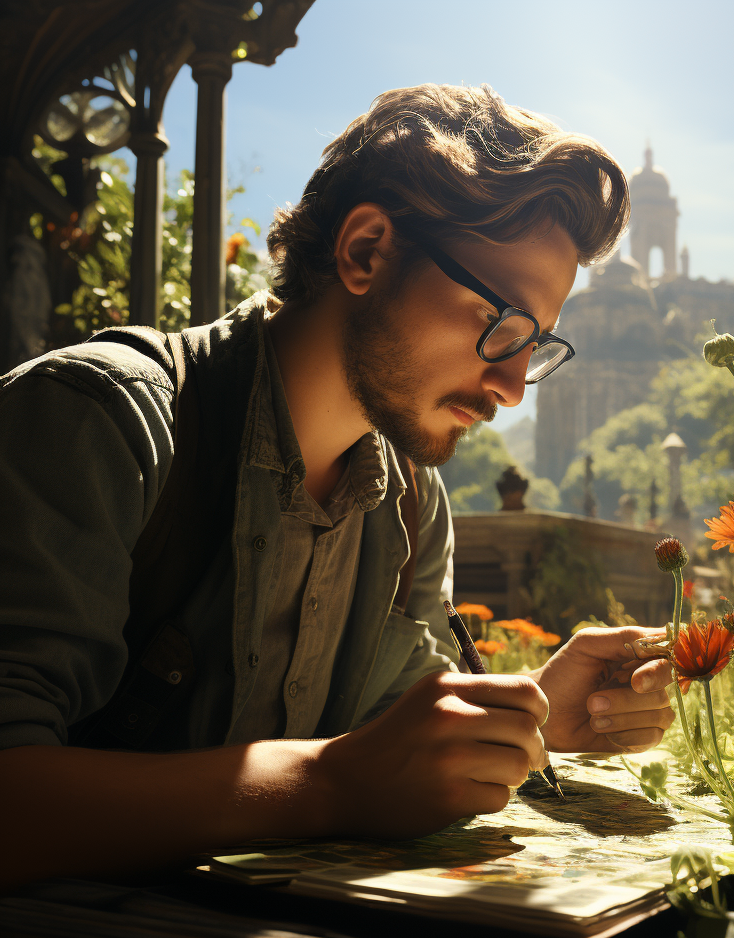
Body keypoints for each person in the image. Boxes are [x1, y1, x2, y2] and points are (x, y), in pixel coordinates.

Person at [0, 84, 674, 886]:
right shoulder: (102, 424)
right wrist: (326, 786)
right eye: (502, 324)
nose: (513, 386)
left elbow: (389, 737)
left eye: (537, 345)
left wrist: (531, 712)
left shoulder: (413, 507)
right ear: (366, 251)